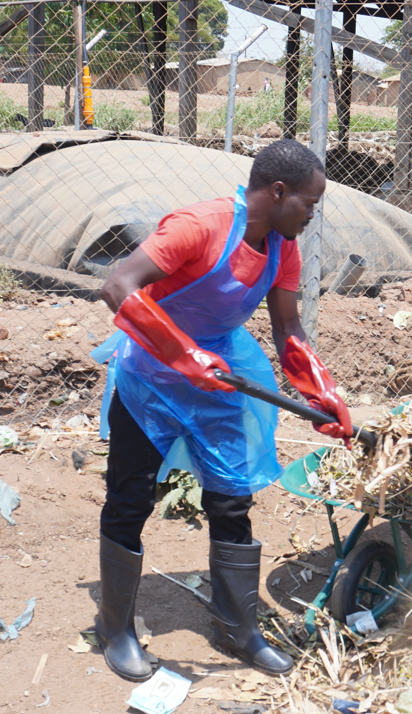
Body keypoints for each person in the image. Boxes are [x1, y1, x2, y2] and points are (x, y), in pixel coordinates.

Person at [91, 139, 352, 680]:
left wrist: (320, 393)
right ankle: (115, 629)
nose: (312, 214)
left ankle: (237, 627)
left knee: (231, 500)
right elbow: (118, 285)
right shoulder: (198, 226)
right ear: (278, 192)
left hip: (221, 375)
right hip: (152, 376)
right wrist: (182, 354)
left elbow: (287, 329)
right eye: (309, 202)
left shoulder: (284, 246)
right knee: (130, 497)